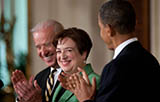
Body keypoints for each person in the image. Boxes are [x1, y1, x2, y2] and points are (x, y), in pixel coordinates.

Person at [59, 0, 160, 102]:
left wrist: (85, 99)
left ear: (109, 30)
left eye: (100, 27)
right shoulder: (151, 60)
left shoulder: (115, 68)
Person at [11, 19, 64, 102]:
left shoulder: (76, 77)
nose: (43, 52)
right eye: (38, 47)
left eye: (47, 44)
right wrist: (23, 99)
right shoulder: (39, 78)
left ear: (62, 41)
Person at [52, 27, 100, 102]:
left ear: (84, 54)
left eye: (69, 50)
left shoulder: (95, 81)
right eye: (59, 51)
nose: (62, 56)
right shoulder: (62, 79)